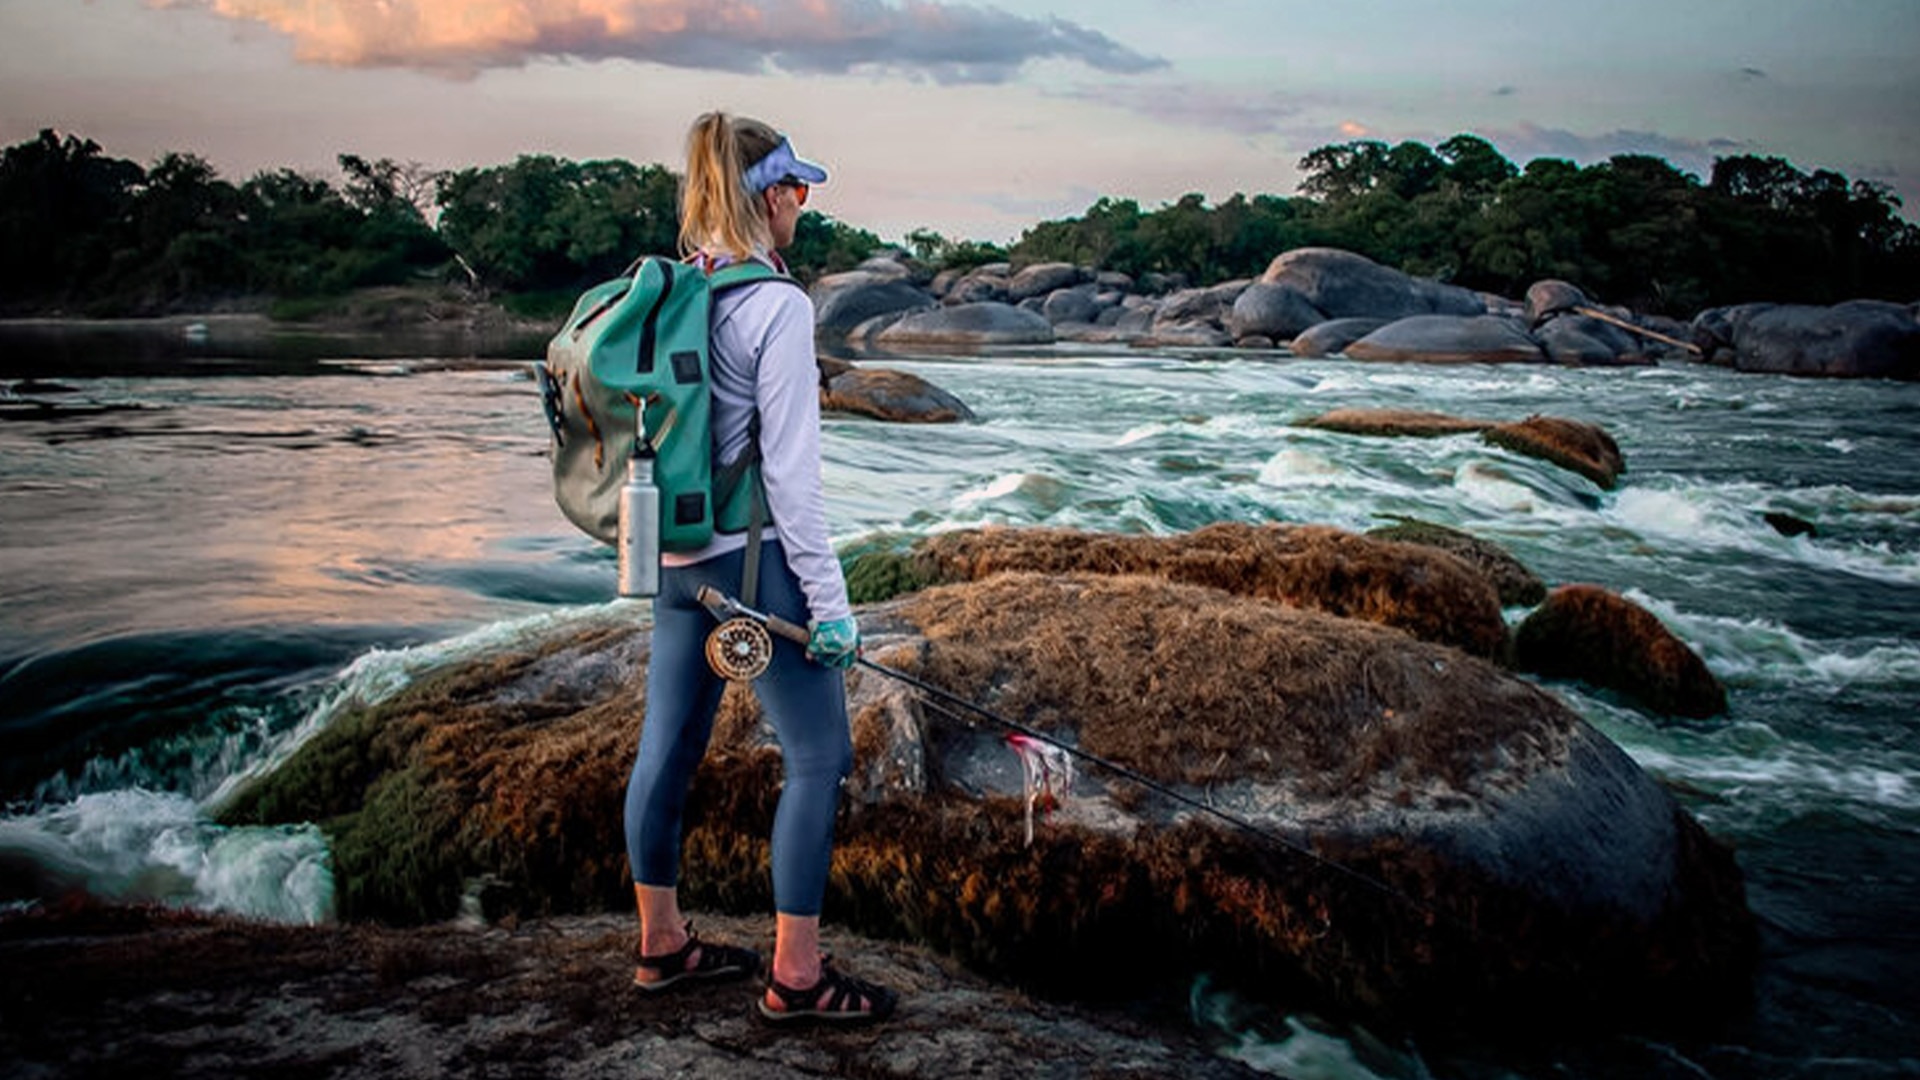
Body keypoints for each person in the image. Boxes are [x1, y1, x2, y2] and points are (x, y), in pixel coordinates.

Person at [623, 112, 897, 1025]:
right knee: (821, 756)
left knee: (667, 746)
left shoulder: (672, 291)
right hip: (754, 565)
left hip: (671, 562)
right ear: (769, 194)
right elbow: (793, 483)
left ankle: (661, 944)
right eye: (798, 189)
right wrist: (833, 612)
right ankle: (797, 976)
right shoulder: (777, 305)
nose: (803, 207)